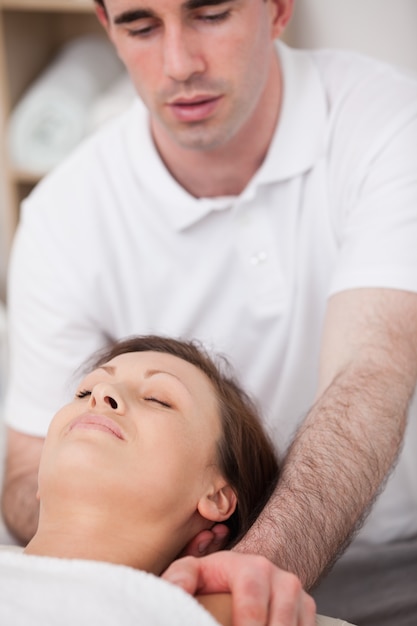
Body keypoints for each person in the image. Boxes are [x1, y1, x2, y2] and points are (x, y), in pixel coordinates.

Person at [2, 0, 417, 624]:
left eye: (211, 15)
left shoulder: (386, 123)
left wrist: (235, 586)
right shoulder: (65, 215)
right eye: (140, 26)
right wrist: (100, 554)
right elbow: (30, 462)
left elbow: (373, 367)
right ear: (105, 25)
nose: (178, 65)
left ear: (277, 10)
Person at [0, 334, 323, 625]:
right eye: (83, 392)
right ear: (39, 482)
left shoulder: (197, 614)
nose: (101, 392)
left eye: (158, 399)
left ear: (216, 497)